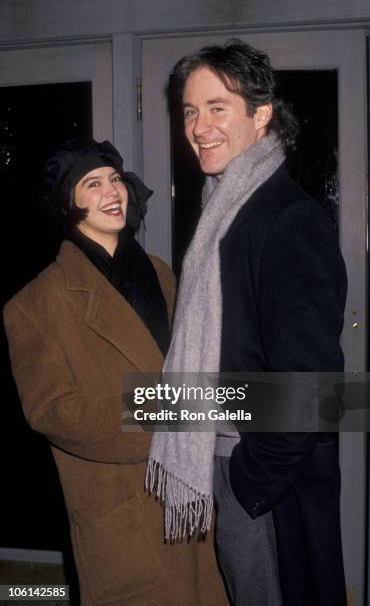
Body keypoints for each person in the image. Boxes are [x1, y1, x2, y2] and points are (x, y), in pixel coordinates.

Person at [147, 41, 347, 606]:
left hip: (265, 484)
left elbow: (312, 391)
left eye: (217, 107)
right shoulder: (225, 208)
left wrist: (247, 481)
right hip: (237, 458)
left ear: (261, 115)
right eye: (189, 111)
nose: (199, 126)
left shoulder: (287, 219)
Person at [4, 137, 228, 606]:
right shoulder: (34, 305)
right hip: (122, 508)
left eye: (115, 179)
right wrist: (172, 418)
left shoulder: (160, 272)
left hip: (187, 493)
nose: (113, 191)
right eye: (92, 183)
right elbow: (55, 412)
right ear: (68, 202)